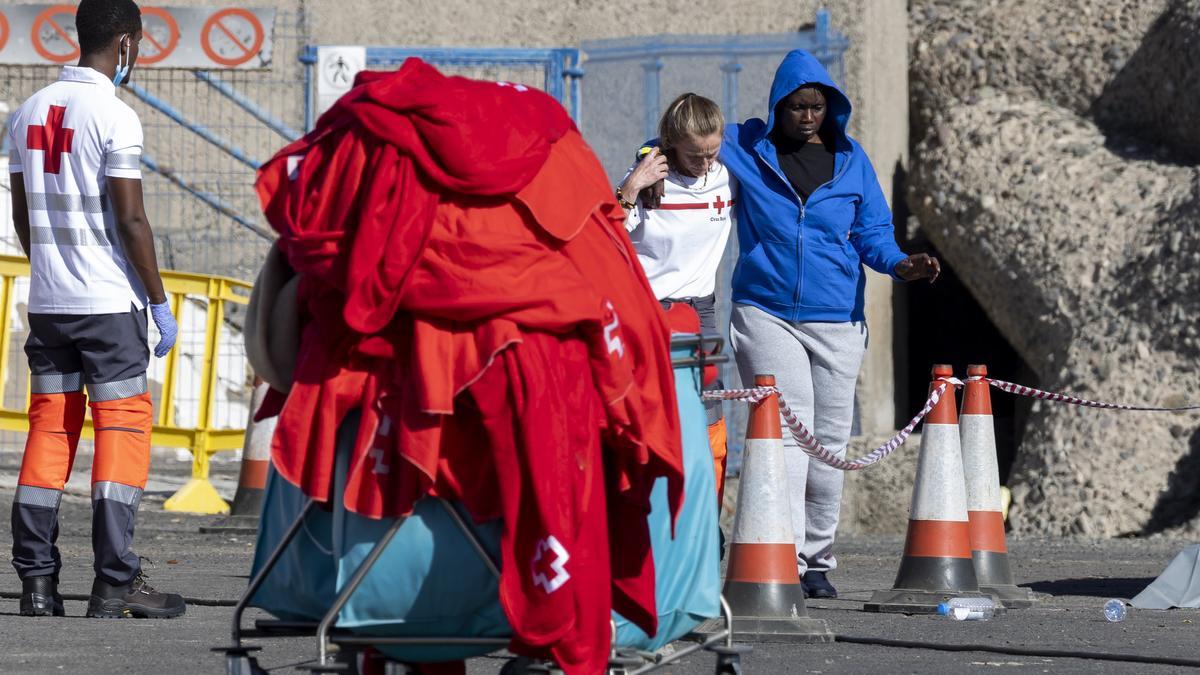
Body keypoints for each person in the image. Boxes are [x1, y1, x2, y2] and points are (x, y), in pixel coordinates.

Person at [720, 50, 940, 598]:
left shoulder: (852, 161)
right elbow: (686, 135)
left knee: (828, 446)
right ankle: (784, 557)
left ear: (831, 108)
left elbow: (874, 235)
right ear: (778, 107)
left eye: (817, 106)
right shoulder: (746, 146)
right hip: (765, 311)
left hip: (838, 320)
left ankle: (817, 558)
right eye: (796, 106)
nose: (807, 116)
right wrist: (647, 163)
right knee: (791, 435)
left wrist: (901, 264)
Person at [7, 0, 184, 619]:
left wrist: (49, 269)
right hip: (108, 306)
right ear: (127, 45)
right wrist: (158, 301)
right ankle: (114, 585)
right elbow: (131, 218)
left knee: (50, 431)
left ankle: (36, 584)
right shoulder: (115, 116)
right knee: (123, 430)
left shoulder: (29, 112)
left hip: (50, 304)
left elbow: (25, 214)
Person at [616, 92, 735, 513]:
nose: (704, 164)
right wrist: (633, 183)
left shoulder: (726, 174)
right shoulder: (649, 177)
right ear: (670, 144)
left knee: (709, 410)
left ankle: (707, 518)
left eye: (711, 153)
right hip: (648, 308)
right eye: (693, 155)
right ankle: (643, 512)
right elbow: (606, 229)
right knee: (646, 410)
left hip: (700, 310)